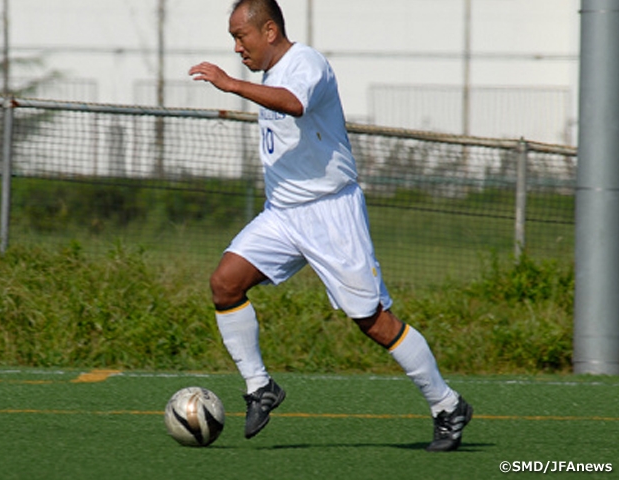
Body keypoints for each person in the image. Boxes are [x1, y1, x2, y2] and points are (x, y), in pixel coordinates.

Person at [188, 0, 472, 452]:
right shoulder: (268, 71)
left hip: (330, 214)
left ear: (270, 31)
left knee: (374, 322)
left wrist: (230, 85)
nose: (236, 48)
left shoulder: (306, 63)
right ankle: (261, 387)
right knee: (225, 283)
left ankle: (447, 405)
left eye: (241, 37)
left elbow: (295, 104)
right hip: (282, 214)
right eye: (232, 40)